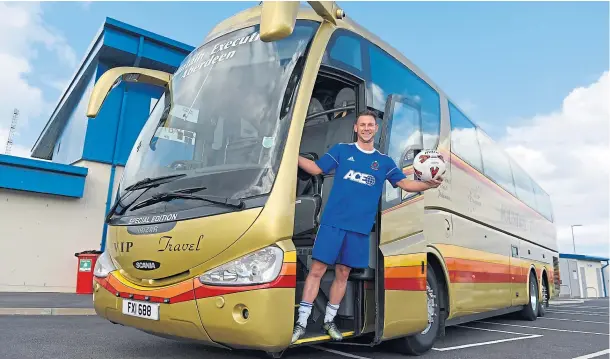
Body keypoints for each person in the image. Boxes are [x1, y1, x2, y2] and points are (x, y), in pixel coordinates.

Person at [291, 109, 443, 343]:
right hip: (332, 224)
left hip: (359, 229)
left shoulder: (383, 162)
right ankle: (301, 322)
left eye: (370, 125)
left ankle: (329, 320)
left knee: (342, 274)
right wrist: (290, 154)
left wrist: (428, 186)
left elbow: (404, 184)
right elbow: (316, 169)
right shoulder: (343, 151)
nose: (366, 128)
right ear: (355, 128)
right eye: (362, 125)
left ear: (376, 128)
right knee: (317, 271)